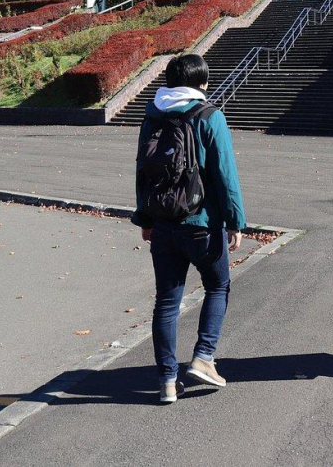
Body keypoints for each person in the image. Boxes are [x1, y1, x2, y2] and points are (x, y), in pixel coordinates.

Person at [132, 53, 246, 404]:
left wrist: (145, 218)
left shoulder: (152, 116)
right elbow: (225, 175)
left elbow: (142, 170)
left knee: (166, 303)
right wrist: (235, 221)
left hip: (164, 224)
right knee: (217, 286)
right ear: (202, 83)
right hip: (202, 224)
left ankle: (167, 381)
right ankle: (204, 357)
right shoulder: (209, 116)